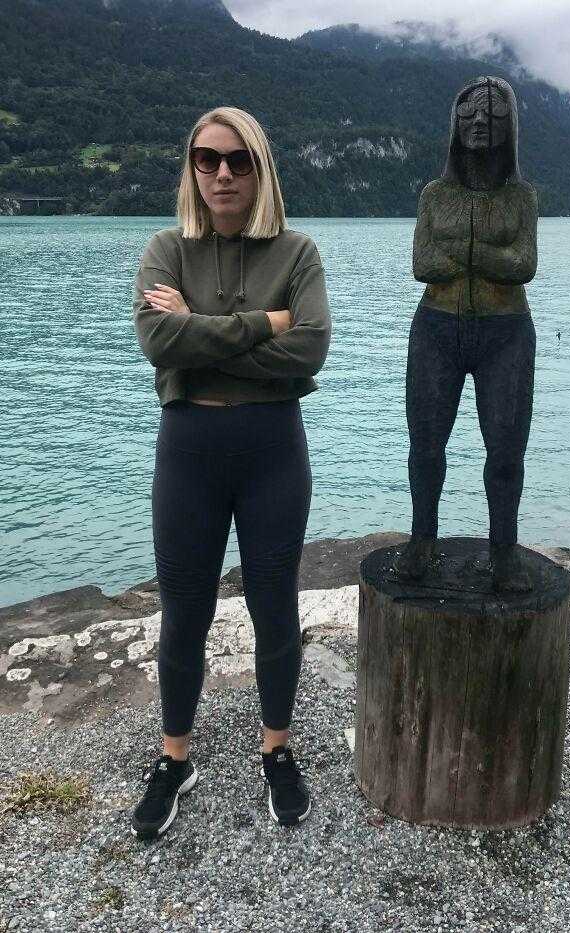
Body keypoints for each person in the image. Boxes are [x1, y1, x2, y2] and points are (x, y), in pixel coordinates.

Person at [129, 106, 331, 838]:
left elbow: (310, 349)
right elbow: (159, 341)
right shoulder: (166, 249)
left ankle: (276, 747)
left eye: (238, 160)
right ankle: (175, 757)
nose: (222, 173)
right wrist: (263, 325)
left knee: (274, 604)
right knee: (185, 609)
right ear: (192, 169)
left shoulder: (297, 253)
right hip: (189, 450)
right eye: (207, 159)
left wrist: (199, 330)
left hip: (273, 450)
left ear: (260, 169)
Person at [393, 76, 538, 591]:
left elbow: (523, 265)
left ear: (509, 125)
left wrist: (463, 250)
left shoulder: (521, 197)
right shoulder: (435, 195)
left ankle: (504, 550)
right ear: (454, 123)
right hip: (435, 329)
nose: (478, 122)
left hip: (507, 334)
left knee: (506, 451)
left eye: (491, 114)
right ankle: (422, 539)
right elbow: (423, 264)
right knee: (425, 446)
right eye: (468, 113)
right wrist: (486, 254)